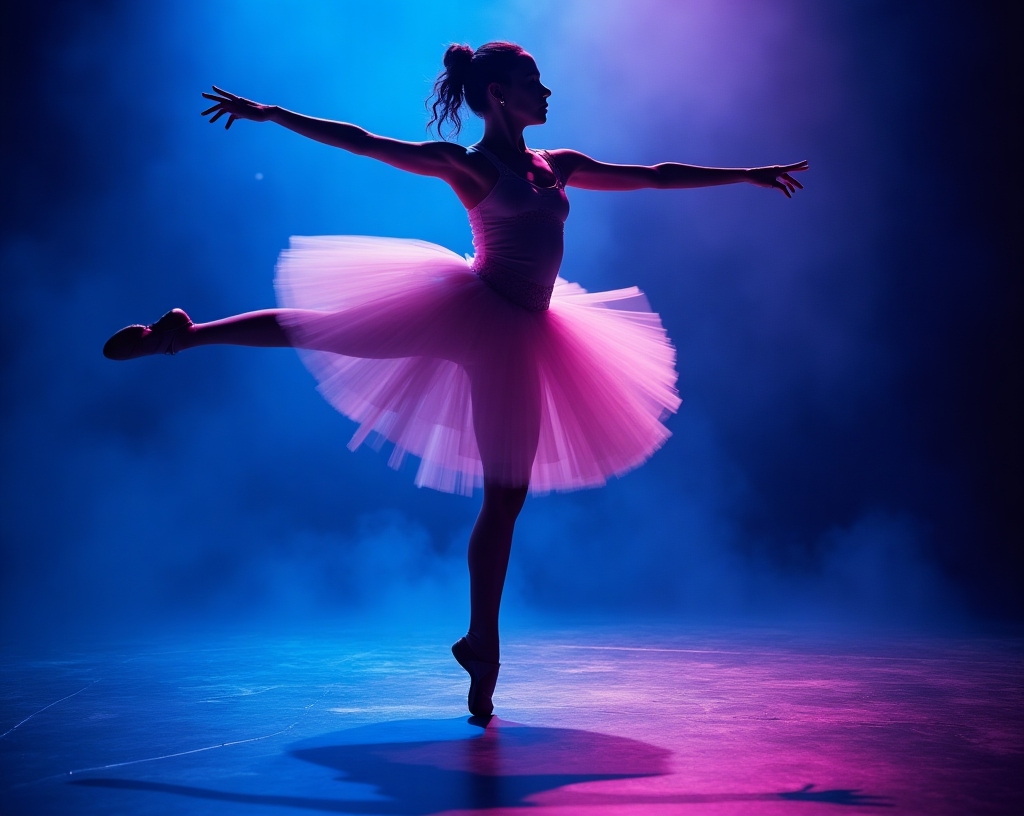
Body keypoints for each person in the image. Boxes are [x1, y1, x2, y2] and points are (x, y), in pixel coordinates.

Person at [103, 41, 806, 717]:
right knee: (328, 326)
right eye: (536, 81)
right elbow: (364, 141)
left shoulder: (554, 165)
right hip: (477, 312)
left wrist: (742, 174)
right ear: (500, 94)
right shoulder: (469, 167)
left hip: (531, 330)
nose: (549, 90)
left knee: (506, 500)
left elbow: (652, 173)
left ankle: (478, 641)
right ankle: (186, 336)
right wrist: (273, 114)